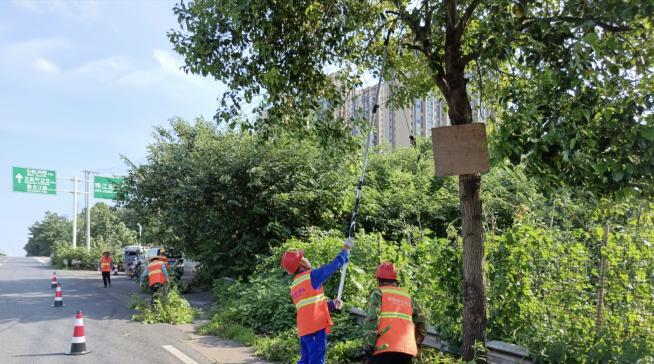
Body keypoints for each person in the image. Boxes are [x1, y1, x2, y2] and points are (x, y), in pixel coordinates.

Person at [281, 239, 352, 364]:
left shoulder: (295, 285)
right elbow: (332, 266)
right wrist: (345, 250)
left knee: (306, 360)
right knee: (316, 361)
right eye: (304, 257)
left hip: (304, 329)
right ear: (301, 264)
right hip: (315, 328)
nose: (307, 258)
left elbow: (309, 306)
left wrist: (331, 305)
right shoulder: (312, 276)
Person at [360, 262, 426, 364]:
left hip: (383, 348)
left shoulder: (378, 293)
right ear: (396, 281)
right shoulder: (408, 296)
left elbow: (373, 320)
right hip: (407, 350)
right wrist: (417, 343)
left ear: (378, 280)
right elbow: (421, 320)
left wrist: (368, 346)